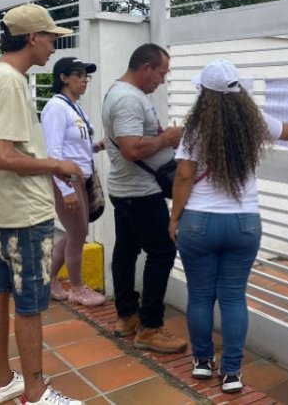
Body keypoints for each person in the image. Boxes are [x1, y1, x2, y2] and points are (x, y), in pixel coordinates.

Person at [169, 60, 288, 393]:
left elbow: (183, 175)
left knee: (199, 297)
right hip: (244, 223)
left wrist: (174, 217)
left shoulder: (195, 129)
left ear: (204, 94)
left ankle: (201, 363)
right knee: (233, 298)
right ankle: (232, 373)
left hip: (199, 222)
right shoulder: (255, 123)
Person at [0, 4, 84, 405]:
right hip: (24, 212)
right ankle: (35, 392)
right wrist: (57, 163)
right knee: (31, 304)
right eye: (51, 37)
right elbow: (3, 155)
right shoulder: (12, 82)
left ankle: (2, 381)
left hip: (5, 210)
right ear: (33, 37)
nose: (54, 46)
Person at [102, 43, 186, 353]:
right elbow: (132, 149)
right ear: (146, 68)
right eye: (161, 74)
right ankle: (150, 327)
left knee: (125, 251)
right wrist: (166, 138)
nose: (162, 81)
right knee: (162, 252)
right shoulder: (127, 99)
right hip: (140, 193)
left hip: (127, 191)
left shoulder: (125, 94)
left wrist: (161, 136)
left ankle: (127, 317)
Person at [41, 57, 106, 307]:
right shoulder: (56, 108)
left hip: (82, 179)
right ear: (63, 78)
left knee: (75, 232)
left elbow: (75, 144)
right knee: (78, 233)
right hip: (67, 180)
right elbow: (54, 154)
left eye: (86, 75)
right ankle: (78, 288)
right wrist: (66, 189)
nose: (84, 80)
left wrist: (95, 146)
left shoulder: (74, 107)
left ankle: (49, 280)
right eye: (78, 75)